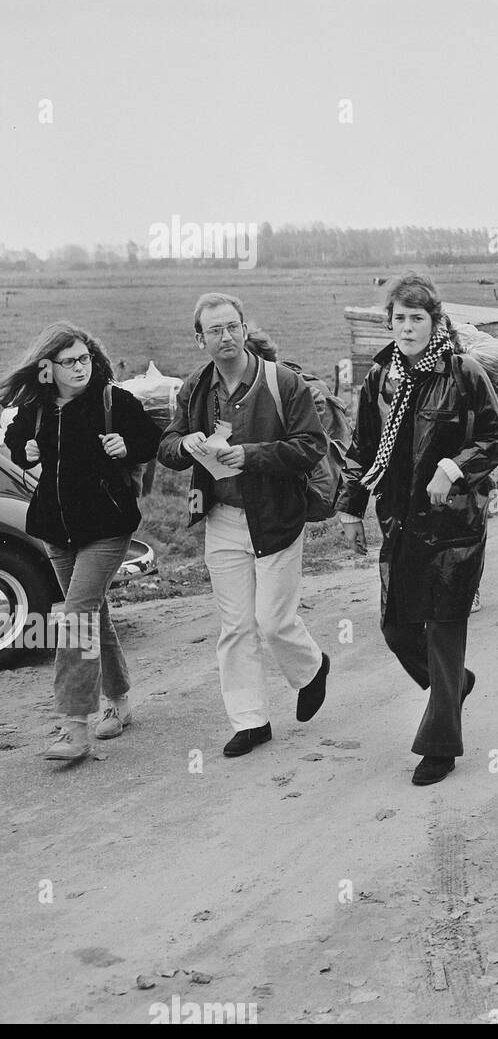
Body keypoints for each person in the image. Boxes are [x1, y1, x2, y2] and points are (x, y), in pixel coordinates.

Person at [338, 274, 498, 786]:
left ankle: (439, 745)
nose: (408, 328)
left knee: (443, 628)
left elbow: (495, 439)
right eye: (399, 319)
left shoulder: (465, 373)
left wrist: (454, 468)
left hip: (453, 525)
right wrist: (351, 507)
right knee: (396, 628)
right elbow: (363, 448)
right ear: (389, 323)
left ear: (435, 322)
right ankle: (453, 686)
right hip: (399, 522)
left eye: (418, 318)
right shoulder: (380, 380)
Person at [157, 293, 330, 759]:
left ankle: (312, 668)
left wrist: (252, 456)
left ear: (244, 327)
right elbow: (167, 445)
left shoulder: (283, 383)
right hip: (222, 517)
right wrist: (186, 444)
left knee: (273, 621)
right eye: (215, 330)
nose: (227, 337)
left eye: (233, 326)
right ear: (200, 340)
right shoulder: (195, 388)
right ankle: (251, 721)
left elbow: (312, 445)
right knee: (235, 626)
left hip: (276, 516)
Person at [2, 324, 161, 762]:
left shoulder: (114, 401)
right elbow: (14, 441)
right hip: (55, 529)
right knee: (93, 612)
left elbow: (151, 441)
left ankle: (73, 728)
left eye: (84, 358)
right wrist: (26, 451)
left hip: (108, 527)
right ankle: (120, 700)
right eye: (69, 361)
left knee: (75, 616)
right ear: (47, 368)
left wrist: (126, 445)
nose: (80, 367)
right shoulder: (34, 407)